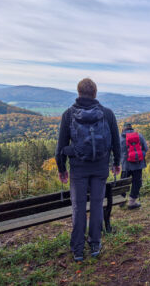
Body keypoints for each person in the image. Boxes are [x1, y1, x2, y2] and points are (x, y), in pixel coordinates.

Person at [55, 78, 121, 261]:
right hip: (100, 167)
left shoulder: (68, 114)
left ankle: (77, 249)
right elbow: (116, 141)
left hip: (78, 169)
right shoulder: (107, 113)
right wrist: (117, 162)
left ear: (78, 93)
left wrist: (62, 168)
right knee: (97, 205)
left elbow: (61, 146)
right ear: (95, 93)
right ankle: (94, 244)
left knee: (78, 207)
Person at [120, 123, 148, 209]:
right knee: (137, 182)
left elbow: (117, 151)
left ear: (123, 129)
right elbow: (146, 148)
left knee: (123, 183)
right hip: (138, 164)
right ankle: (132, 202)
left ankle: (121, 200)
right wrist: (140, 155)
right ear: (132, 128)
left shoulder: (120, 138)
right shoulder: (139, 135)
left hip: (126, 165)